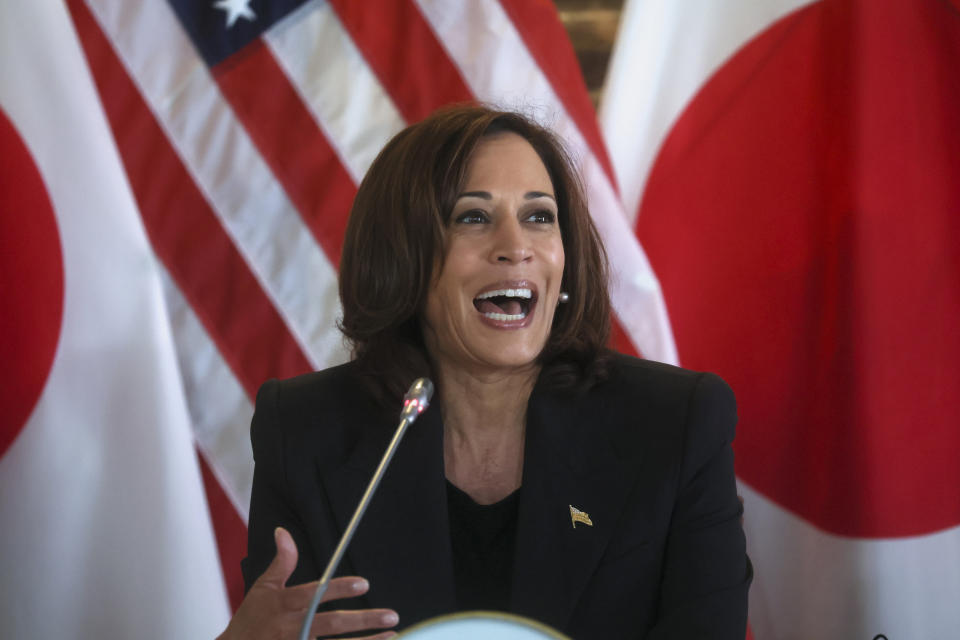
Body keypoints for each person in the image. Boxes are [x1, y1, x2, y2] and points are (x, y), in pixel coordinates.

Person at [218, 105, 751, 640]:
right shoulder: (306, 431)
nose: (516, 248)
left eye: (540, 217)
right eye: (472, 217)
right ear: (402, 255)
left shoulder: (674, 423)